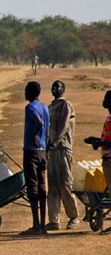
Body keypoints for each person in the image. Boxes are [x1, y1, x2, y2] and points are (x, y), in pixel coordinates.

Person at [46, 81, 80, 231]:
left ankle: (74, 217)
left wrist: (53, 142)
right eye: (53, 87)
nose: (55, 89)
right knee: (53, 186)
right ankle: (54, 220)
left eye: (58, 87)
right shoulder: (50, 107)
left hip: (62, 148)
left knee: (65, 184)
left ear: (63, 90)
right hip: (51, 151)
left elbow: (64, 126)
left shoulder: (66, 105)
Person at [21, 81, 50, 235]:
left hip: (31, 151)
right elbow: (48, 128)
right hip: (42, 152)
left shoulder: (30, 107)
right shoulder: (45, 107)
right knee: (42, 186)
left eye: (26, 91)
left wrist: (33, 136)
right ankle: (43, 226)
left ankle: (36, 225)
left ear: (31, 92)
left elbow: (39, 122)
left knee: (32, 186)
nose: (25, 93)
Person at [84, 90, 111, 235]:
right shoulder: (109, 117)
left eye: (107, 98)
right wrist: (96, 141)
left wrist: (100, 142)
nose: (104, 100)